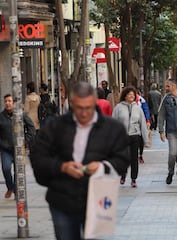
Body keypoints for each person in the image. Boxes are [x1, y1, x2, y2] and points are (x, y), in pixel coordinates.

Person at [30, 82, 130, 239]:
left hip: (97, 198)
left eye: (88, 108)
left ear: (94, 103)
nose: (84, 113)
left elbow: (123, 158)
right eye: (79, 108)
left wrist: (102, 167)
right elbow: (38, 157)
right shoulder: (56, 127)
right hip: (62, 197)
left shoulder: (112, 128)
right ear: (72, 104)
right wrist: (62, 167)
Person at [112, 86, 148, 188]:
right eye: (129, 95)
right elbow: (113, 123)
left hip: (135, 136)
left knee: (134, 159)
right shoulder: (118, 108)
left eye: (133, 95)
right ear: (125, 96)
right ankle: (123, 176)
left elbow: (143, 124)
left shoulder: (138, 108)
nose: (131, 96)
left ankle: (133, 179)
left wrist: (145, 139)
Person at [1, 94, 35, 199]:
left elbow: (31, 128)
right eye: (6, 101)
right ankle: (10, 187)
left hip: (19, 149)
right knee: (6, 169)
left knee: (18, 171)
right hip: (5, 149)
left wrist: (25, 140)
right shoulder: (1, 116)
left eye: (10, 101)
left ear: (14, 103)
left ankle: (16, 190)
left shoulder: (21, 115)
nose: (8, 103)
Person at [148, 82, 162, 147]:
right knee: (156, 117)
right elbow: (160, 101)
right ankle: (155, 126)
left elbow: (149, 101)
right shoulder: (159, 93)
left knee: (152, 117)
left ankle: (152, 126)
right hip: (157, 107)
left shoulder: (149, 93)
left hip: (151, 107)